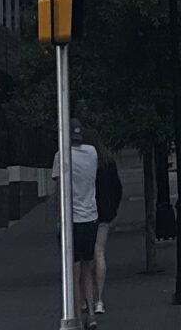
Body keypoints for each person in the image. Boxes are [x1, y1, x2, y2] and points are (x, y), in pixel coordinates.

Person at [52, 119, 100, 326]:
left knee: (74, 272)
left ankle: (79, 319)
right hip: (91, 217)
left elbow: (58, 190)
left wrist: (57, 219)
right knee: (88, 268)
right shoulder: (92, 152)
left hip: (72, 220)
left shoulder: (61, 156)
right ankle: (92, 313)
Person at [91, 141, 123, 319]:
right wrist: (113, 209)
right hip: (105, 213)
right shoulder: (108, 162)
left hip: (85, 214)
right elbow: (117, 187)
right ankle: (99, 300)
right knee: (100, 253)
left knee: (85, 258)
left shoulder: (85, 160)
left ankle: (87, 298)